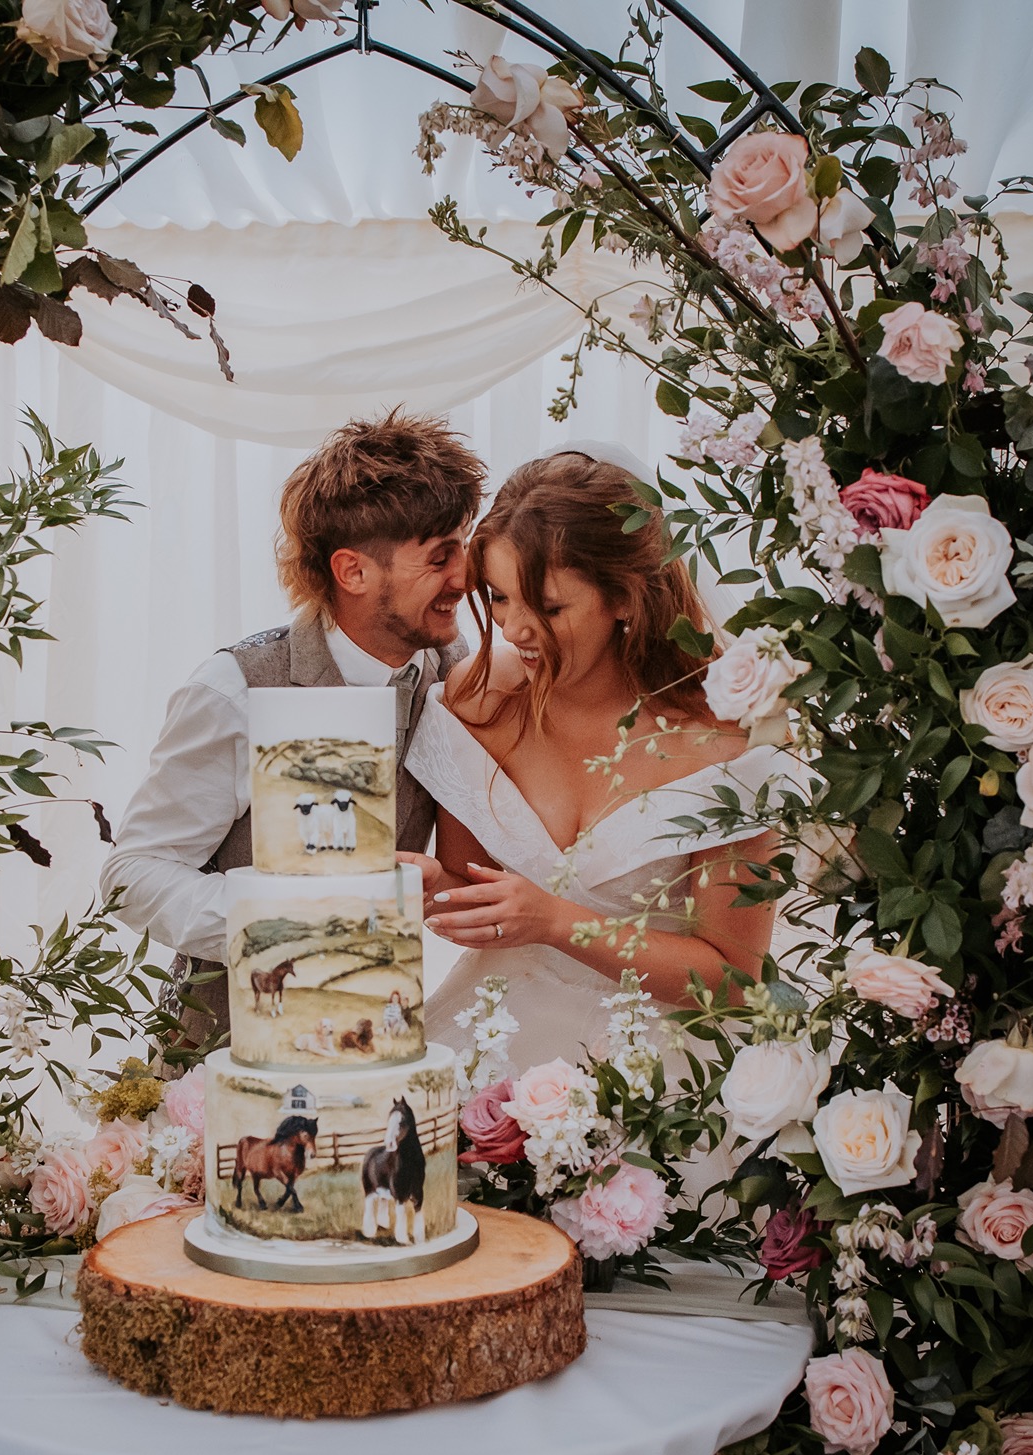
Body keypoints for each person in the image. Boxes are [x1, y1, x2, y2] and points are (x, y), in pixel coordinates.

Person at [400, 446, 788, 1086]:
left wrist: (557, 922)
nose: (517, 629)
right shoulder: (480, 701)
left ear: (625, 599)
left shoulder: (729, 739)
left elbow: (733, 977)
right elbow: (480, 902)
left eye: (548, 607)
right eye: (498, 598)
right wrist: (432, 888)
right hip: (492, 1033)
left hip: (665, 1065)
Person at [101, 410, 488, 1048]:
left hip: (375, 1043)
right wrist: (298, 924)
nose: (465, 577)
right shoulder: (234, 689)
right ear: (354, 571)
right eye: (440, 557)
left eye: (464, 549)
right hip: (228, 1050)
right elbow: (133, 875)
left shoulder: (460, 678)